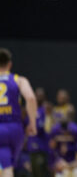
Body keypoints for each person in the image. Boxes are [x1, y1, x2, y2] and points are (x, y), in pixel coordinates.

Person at [0, 48, 37, 177]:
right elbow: (31, 98)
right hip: (15, 128)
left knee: (5, 165)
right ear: (10, 64)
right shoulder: (19, 80)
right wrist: (32, 123)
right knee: (8, 164)